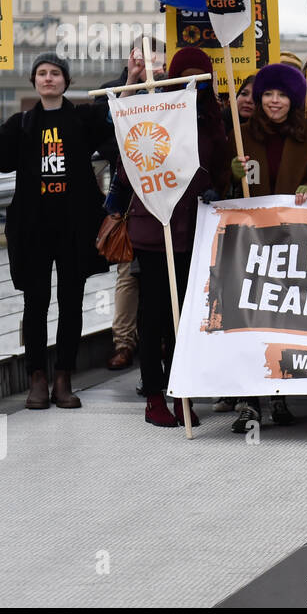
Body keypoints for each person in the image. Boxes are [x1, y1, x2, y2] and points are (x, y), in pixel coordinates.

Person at [0, 53, 111, 410]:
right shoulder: (23, 123)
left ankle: (64, 377)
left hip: (74, 227)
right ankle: (37, 379)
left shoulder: (81, 118)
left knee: (71, 303)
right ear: (34, 82)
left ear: (65, 81)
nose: (48, 78)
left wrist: (132, 77)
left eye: (55, 73)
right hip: (33, 228)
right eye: (41, 73)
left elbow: (115, 114)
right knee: (35, 303)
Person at [110, 48, 231, 428]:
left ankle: (182, 391)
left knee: (187, 318)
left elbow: (221, 168)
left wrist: (217, 186)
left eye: (200, 77)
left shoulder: (214, 118)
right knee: (155, 315)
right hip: (155, 227)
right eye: (186, 76)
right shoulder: (153, 110)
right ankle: (154, 395)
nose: (193, 84)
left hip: (195, 229)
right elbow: (129, 163)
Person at [231, 63, 307, 432]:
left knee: (284, 319)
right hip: (248, 245)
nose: (275, 102)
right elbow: (223, 188)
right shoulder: (239, 138)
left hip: (292, 244)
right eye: (268, 94)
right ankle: (248, 402)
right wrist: (232, 174)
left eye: (282, 95)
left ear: (294, 100)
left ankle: (277, 392)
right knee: (250, 320)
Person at [97, 36, 166, 372]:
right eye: (144, 56)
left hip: (167, 191)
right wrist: (131, 85)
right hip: (129, 194)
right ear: (131, 57)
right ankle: (124, 342)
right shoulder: (112, 89)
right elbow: (109, 140)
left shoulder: (173, 89)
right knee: (128, 273)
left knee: (167, 273)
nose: (150, 63)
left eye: (157, 58)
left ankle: (164, 340)